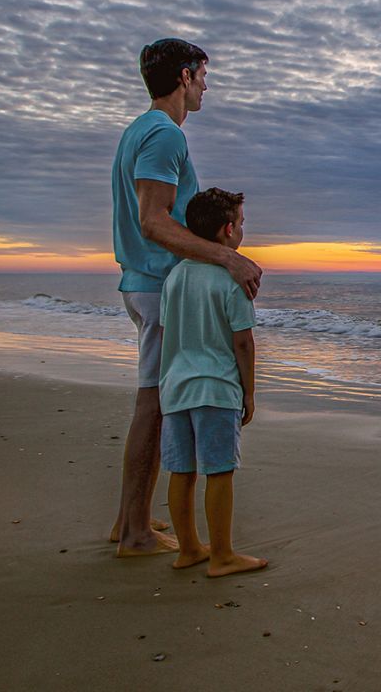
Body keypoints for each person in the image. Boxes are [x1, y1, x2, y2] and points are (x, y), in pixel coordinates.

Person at [110, 38, 262, 557]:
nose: (206, 84)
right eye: (203, 74)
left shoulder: (140, 131)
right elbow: (152, 221)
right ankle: (134, 532)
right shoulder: (163, 135)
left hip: (146, 283)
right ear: (183, 76)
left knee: (155, 399)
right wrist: (226, 257)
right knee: (154, 404)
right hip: (156, 284)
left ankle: (128, 518)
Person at [159, 187, 268, 577]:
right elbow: (243, 340)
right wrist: (249, 392)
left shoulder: (175, 277)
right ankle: (221, 554)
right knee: (219, 470)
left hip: (175, 386)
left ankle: (188, 548)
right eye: (240, 222)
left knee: (181, 471)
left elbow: (169, 329)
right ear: (227, 230)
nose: (242, 228)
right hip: (216, 388)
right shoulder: (231, 276)